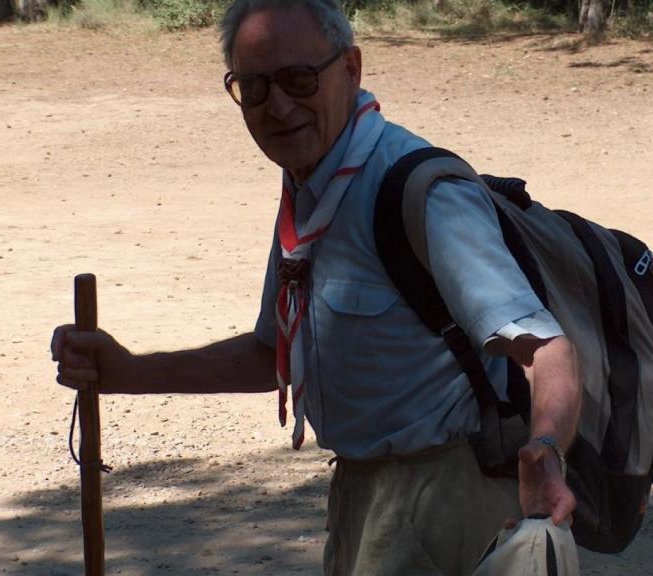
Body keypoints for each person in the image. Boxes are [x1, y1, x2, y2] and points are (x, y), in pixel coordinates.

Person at [50, 0, 581, 574]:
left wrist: (547, 450)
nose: (278, 106)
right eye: (253, 88)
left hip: (448, 499)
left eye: (299, 80)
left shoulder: (421, 194)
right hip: (362, 497)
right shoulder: (309, 193)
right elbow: (272, 354)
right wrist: (128, 373)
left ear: (351, 70)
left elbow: (547, 349)